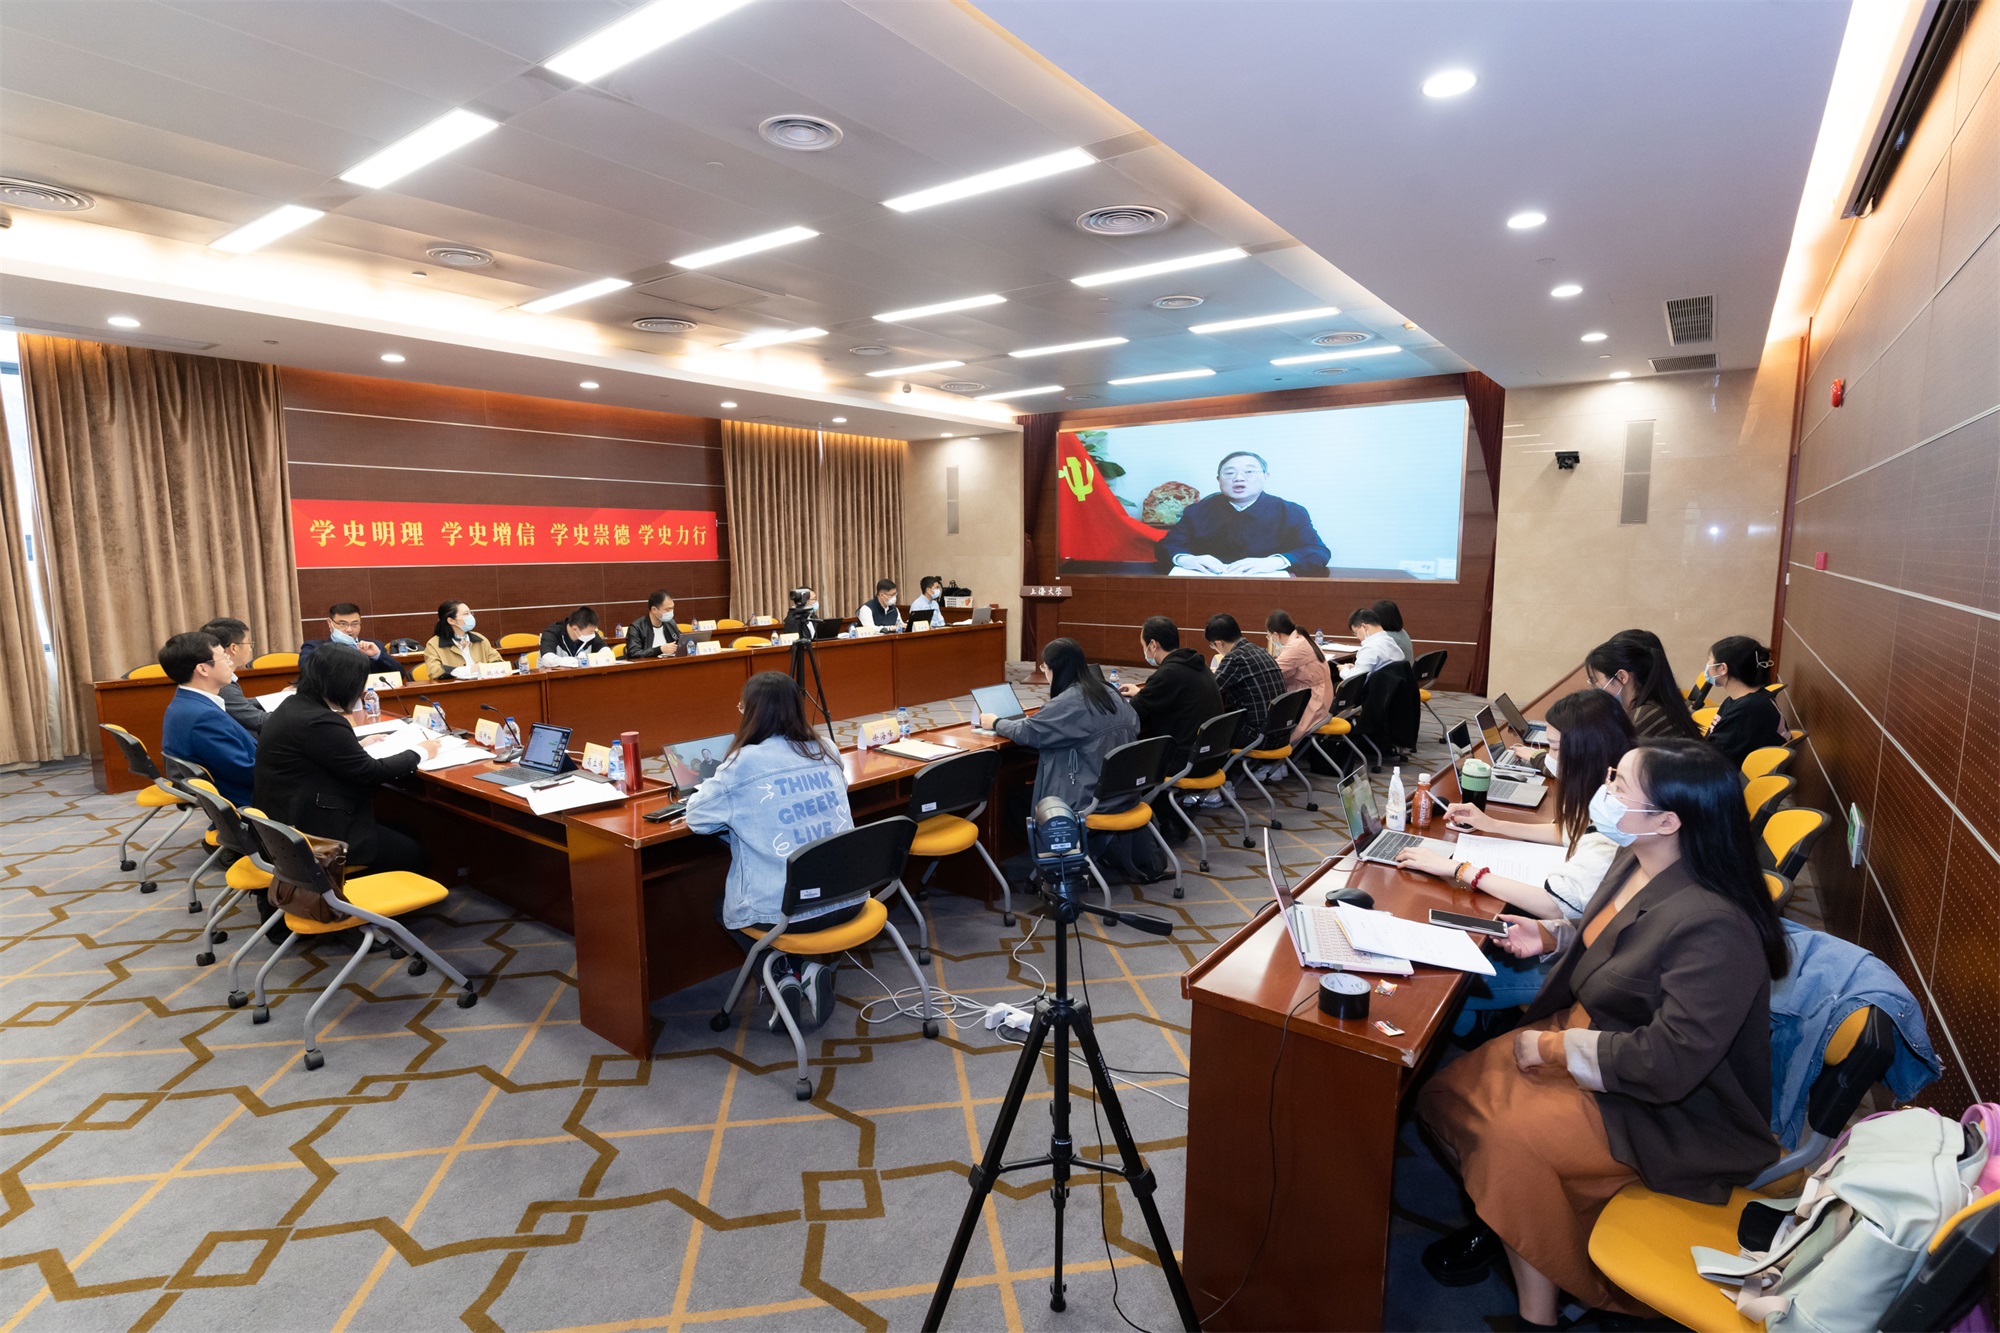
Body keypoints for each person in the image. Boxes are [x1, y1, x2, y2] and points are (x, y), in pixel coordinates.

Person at [1416, 738, 1786, 1325]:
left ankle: (1538, 1311)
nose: (1604, 791)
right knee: (1447, 1093)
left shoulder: (1717, 925)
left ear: (1667, 821)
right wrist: (1553, 936)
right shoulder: (1636, 858)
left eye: (1619, 785)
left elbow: (1671, 1060)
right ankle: (1510, 1222)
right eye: (1613, 775)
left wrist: (1553, 1047)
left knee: (1509, 1144)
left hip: (1663, 1103)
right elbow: (1616, 941)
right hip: (1597, 1036)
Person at [1395, 690, 1636, 1035]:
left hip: (1575, 967)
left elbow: (1554, 904)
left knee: (1444, 980)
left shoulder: (1615, 828)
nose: (1548, 758)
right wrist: (1492, 824)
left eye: (1555, 748)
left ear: (1586, 752)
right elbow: (1569, 831)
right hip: (1578, 945)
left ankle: (1474, 1033)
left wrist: (1460, 869)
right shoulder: (1608, 796)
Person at [684, 672, 855, 1033]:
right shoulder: (826, 749)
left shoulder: (743, 763)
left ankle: (782, 976)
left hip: (791, 912)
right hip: (849, 896)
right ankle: (804, 971)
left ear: (752, 713)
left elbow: (696, 818)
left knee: (724, 907)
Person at [253, 643, 441, 874]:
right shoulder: (320, 721)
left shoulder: (294, 706)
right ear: (344, 682)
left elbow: (314, 752)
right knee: (414, 853)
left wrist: (355, 746)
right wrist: (420, 752)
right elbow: (370, 772)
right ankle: (356, 894)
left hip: (285, 820)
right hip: (314, 832)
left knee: (406, 830)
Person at [983, 638, 1138, 817]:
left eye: (1044, 667)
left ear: (1055, 669)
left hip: (1087, 799)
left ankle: (1051, 835)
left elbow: (1027, 732)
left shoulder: (1068, 702)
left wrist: (996, 722)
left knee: (1015, 801)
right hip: (1123, 794)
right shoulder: (1110, 691)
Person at [1119, 616, 1226, 838]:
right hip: (1212, 755)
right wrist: (1144, 692)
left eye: (1143, 645)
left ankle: (1158, 826)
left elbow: (1131, 713)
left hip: (1187, 761)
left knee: (1129, 764)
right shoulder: (1195, 663)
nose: (1144, 650)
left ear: (1153, 645)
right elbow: (1169, 694)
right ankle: (1172, 819)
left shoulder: (1168, 674)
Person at [1157, 450, 1330, 577]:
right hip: (1207, 587)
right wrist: (1186, 559)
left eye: (1249, 472)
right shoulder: (1196, 511)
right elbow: (1166, 546)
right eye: (1229, 473)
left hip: (1269, 590)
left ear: (1266, 476)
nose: (1239, 478)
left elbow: (1318, 551)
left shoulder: (1291, 512)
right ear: (1219, 480)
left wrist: (1274, 562)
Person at [159, 630, 258, 807]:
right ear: (203, 669)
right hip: (251, 801)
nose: (230, 662)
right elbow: (245, 772)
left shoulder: (183, 702)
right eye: (224, 658)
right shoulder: (204, 717)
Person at [1584, 630, 1701, 739]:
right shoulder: (1659, 700)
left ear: (1622, 677)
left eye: (1595, 680)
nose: (1594, 687)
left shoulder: (1643, 717)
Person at [1701, 635, 1787, 766]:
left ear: (1723, 668)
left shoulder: (1748, 709)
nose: (1707, 665)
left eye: (1709, 660)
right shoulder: (1742, 700)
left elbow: (1711, 760)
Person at [1205, 614, 1284, 748]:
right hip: (1280, 734)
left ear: (1219, 643)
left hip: (1256, 736)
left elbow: (1209, 690)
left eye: (1213, 646)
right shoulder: (1262, 651)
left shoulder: (1234, 658)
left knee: (1205, 736)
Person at [1266, 610, 1333, 747]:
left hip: (1313, 700)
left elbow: (1273, 672)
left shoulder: (1295, 646)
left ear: (1275, 635)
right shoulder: (1301, 639)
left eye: (1269, 636)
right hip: (1320, 694)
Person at [199, 617, 267, 736]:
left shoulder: (210, 678)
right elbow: (259, 720)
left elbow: (235, 704)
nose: (250, 648)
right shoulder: (222, 684)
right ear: (234, 648)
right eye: (248, 643)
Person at [299, 603, 403, 678]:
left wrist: (377, 655)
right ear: (330, 623)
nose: (349, 629)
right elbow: (306, 669)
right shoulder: (313, 647)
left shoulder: (374, 646)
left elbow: (400, 674)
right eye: (343, 624)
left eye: (355, 624)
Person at [423, 601, 504, 680]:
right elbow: (435, 672)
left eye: (470, 613)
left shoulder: (480, 639)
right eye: (466, 614)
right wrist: (470, 670)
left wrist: (486, 667)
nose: (471, 617)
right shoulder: (434, 644)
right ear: (451, 621)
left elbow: (498, 661)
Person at [626, 590, 696, 659]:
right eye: (667, 610)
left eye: (672, 609)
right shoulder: (637, 627)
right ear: (654, 609)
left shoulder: (670, 623)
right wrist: (660, 650)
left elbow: (682, 642)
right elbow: (633, 653)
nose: (671, 612)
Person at [1348, 606, 1405, 675]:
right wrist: (1357, 668)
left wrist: (1344, 670)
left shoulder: (1369, 649)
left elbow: (1355, 678)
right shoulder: (1391, 642)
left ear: (1364, 627)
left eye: (1356, 632)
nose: (1357, 637)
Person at [539, 607, 607, 664]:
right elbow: (548, 659)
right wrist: (573, 662)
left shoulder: (590, 635)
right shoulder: (551, 634)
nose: (593, 634)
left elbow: (605, 650)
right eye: (591, 631)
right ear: (575, 629)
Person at [1371, 599, 1415, 667]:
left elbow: (1371, 661)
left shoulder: (1386, 637)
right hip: (1404, 671)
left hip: (1397, 672)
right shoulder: (1402, 632)